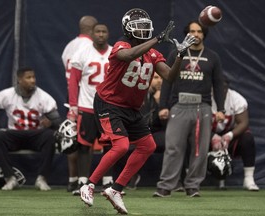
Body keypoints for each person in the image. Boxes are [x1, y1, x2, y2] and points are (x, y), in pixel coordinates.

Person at [79, 8, 196, 214]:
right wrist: (158, 39)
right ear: (128, 28)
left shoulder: (153, 53)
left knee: (147, 146)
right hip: (109, 103)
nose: (142, 30)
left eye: (145, 26)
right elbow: (128, 55)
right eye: (138, 26)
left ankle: (116, 189)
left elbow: (169, 76)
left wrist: (179, 56)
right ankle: (88, 184)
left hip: (131, 107)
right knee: (122, 146)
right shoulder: (121, 45)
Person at [154, 20, 226, 198]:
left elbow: (218, 85)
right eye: (192, 31)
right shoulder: (176, 54)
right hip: (179, 106)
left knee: (199, 150)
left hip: (203, 107)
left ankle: (193, 186)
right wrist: (163, 106)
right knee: (173, 148)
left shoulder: (213, 57)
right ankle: (166, 185)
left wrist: (221, 109)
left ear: (204, 34)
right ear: (187, 34)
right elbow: (167, 81)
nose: (196, 34)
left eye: (199, 31)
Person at [0, 67, 61, 191]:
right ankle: (10, 178)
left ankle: (42, 178)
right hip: (15, 134)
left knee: (50, 136)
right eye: (28, 77)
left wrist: (51, 123)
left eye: (33, 77)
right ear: (19, 79)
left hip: (35, 135)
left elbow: (57, 121)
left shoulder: (43, 97)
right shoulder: (6, 95)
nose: (32, 80)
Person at [68, 23, 115, 195]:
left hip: (109, 106)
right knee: (84, 145)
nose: (101, 34)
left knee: (110, 144)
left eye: (104, 31)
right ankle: (83, 182)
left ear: (108, 34)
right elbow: (73, 81)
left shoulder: (114, 53)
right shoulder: (82, 53)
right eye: (98, 31)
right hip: (87, 105)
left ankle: (107, 182)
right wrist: (73, 106)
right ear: (92, 34)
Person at [61, 15, 98, 192]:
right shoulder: (89, 47)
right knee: (86, 143)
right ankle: (86, 180)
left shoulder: (69, 46)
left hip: (72, 97)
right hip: (87, 98)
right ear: (92, 30)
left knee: (73, 140)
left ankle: (73, 179)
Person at [210, 77, 259, 191]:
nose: (220, 91)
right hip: (209, 137)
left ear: (228, 88)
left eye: (223, 88)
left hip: (229, 138)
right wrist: (212, 136)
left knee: (247, 138)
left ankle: (248, 178)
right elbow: (198, 123)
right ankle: (190, 180)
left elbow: (243, 122)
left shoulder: (237, 99)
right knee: (191, 137)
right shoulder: (205, 98)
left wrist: (229, 136)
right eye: (217, 88)